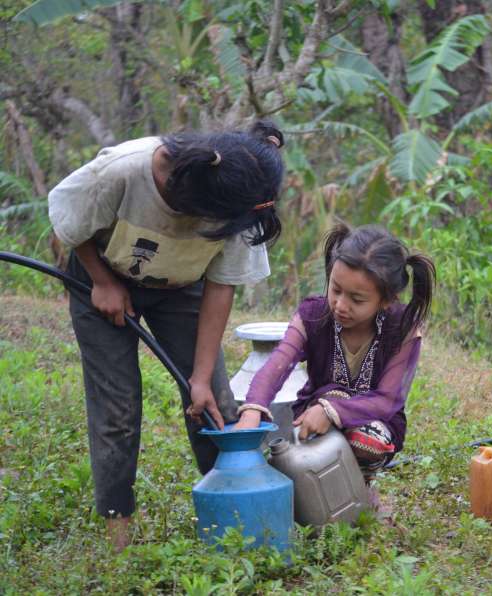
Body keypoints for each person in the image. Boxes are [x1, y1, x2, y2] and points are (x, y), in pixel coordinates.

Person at [47, 121, 285, 550]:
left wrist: (200, 374)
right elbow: (71, 223)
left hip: (183, 287)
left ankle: (231, 518)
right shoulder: (124, 170)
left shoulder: (240, 194)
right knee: (117, 409)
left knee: (214, 401)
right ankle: (118, 531)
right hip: (100, 278)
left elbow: (220, 285)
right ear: (200, 199)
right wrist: (102, 281)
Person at [234, 223, 435, 511]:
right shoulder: (313, 315)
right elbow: (276, 366)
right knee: (326, 406)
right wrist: (253, 407)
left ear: (386, 300)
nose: (340, 305)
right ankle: (317, 496)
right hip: (311, 416)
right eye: (336, 289)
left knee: (368, 440)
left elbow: (388, 400)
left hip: (374, 423)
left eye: (357, 299)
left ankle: (360, 490)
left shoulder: (402, 330)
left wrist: (333, 411)